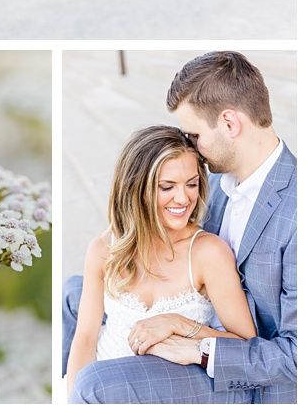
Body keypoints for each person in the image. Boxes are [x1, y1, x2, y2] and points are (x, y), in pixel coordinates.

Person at [64, 51, 297, 403]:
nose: (193, 149)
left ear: (230, 124)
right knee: (73, 295)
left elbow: (298, 357)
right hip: (200, 317)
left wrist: (195, 343)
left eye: (194, 135)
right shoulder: (220, 182)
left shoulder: (298, 212)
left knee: (95, 385)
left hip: (239, 371)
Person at [66, 125, 256, 399]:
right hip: (99, 386)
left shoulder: (208, 253)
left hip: (168, 388)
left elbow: (247, 346)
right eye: (167, 187)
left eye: (192, 184)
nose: (183, 198)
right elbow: (85, 338)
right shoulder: (103, 249)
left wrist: (180, 324)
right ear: (137, 188)